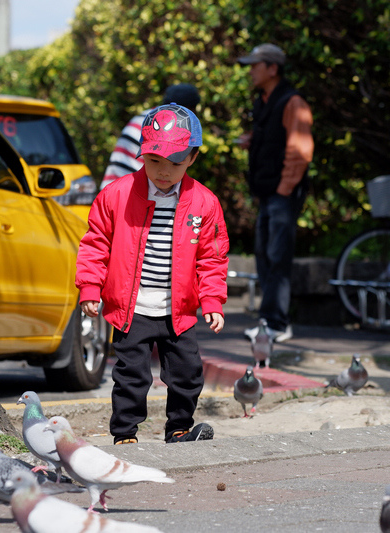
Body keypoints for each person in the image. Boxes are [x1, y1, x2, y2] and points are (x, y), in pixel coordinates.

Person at [76, 103, 229, 445]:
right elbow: (95, 244)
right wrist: (89, 288)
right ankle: (125, 433)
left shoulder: (204, 203)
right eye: (154, 161)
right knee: (131, 375)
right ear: (142, 155)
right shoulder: (116, 195)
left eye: (175, 163)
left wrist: (213, 301)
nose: (163, 172)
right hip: (132, 307)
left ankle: (179, 428)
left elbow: (212, 257)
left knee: (187, 373)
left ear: (192, 158)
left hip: (180, 309)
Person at [236, 43, 314, 343]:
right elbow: (273, 139)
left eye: (256, 65)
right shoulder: (264, 102)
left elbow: (300, 151)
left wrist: (283, 189)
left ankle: (277, 324)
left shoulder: (293, 102)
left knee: (277, 257)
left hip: (282, 193)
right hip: (268, 194)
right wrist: (252, 141)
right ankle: (270, 321)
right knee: (264, 257)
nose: (251, 71)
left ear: (273, 68)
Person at [101, 83, 201, 189]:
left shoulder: (149, 117)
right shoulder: (167, 127)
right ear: (189, 109)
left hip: (112, 184)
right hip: (130, 189)